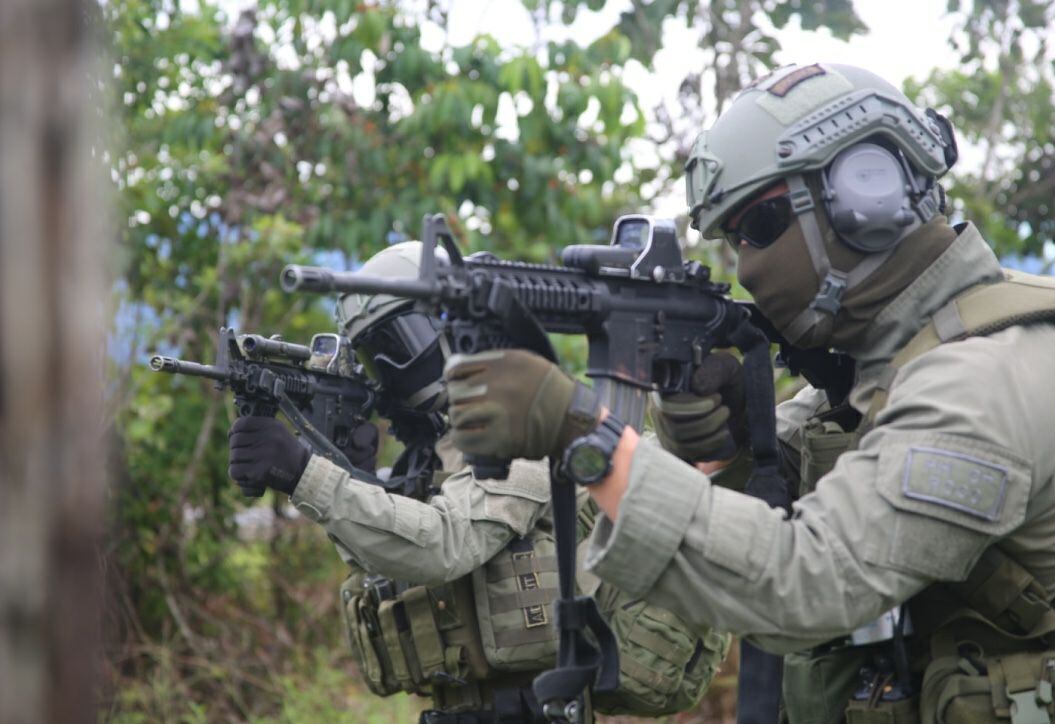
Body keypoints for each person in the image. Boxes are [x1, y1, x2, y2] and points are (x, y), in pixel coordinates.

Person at [441, 63, 1055, 722]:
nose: (746, 264)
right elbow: (770, 524)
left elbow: (809, 583)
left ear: (867, 194)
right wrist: (743, 450)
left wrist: (584, 434)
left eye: (761, 225)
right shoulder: (876, 370)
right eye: (731, 240)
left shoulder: (986, 379)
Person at [227, 242, 730, 723]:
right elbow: (392, 558)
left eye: (401, 343)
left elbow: (444, 544)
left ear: (452, 326)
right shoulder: (431, 450)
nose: (396, 371)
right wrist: (353, 476)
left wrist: (306, 474)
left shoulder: (519, 422)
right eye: (378, 355)